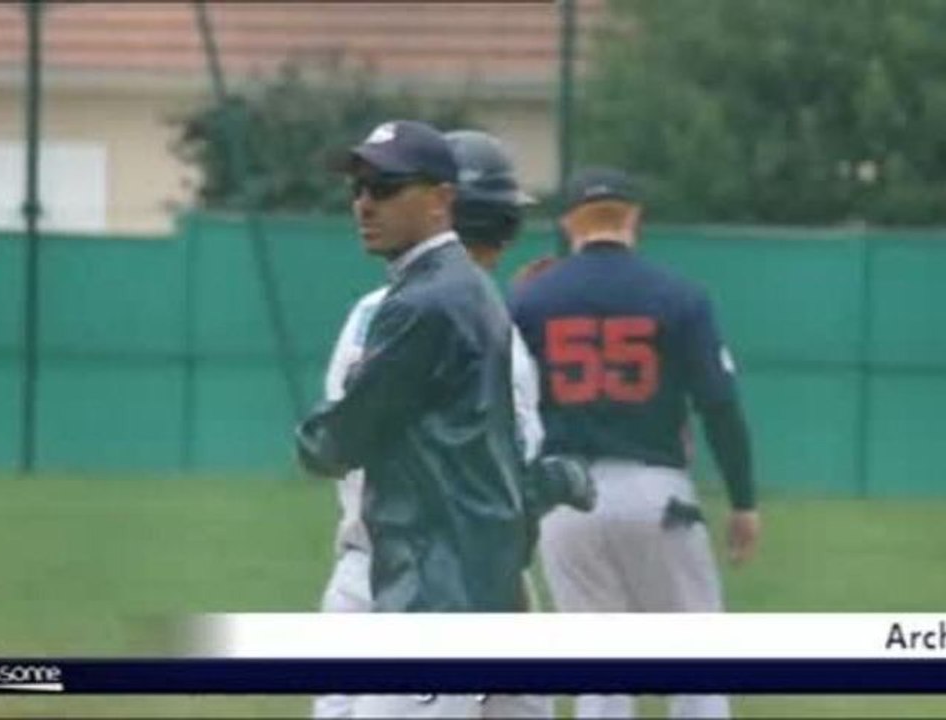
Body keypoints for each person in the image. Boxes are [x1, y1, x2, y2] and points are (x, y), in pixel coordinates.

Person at [313, 129, 591, 720]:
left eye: (382, 188)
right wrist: (557, 479)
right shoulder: (480, 327)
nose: (367, 203)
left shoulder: (373, 313)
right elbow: (501, 482)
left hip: (364, 573)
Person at [510, 167, 761, 720]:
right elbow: (718, 405)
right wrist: (743, 501)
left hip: (562, 497)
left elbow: (504, 403)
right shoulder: (680, 296)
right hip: (657, 492)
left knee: (600, 677)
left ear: (567, 222)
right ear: (635, 218)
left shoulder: (531, 301)